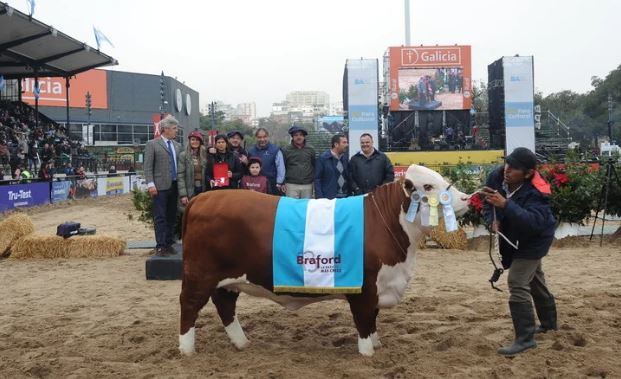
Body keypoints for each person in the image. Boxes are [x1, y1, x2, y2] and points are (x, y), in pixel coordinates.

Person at [481, 147, 557, 356]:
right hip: (514, 238)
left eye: (514, 168)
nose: (507, 169)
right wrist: (492, 220)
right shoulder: (496, 176)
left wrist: (506, 205)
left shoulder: (537, 194)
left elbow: (533, 223)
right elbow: (487, 204)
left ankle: (525, 339)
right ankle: (549, 324)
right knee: (534, 280)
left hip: (535, 240)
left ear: (528, 173)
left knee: (517, 281)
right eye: (508, 164)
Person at [144, 115, 182, 257]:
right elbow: (147, 167)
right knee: (160, 217)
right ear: (166, 129)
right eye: (174, 128)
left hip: (175, 185)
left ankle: (169, 243)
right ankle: (160, 246)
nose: (176, 131)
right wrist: (150, 184)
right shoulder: (152, 144)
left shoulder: (177, 146)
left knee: (172, 216)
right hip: (159, 187)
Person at [248, 128, 285, 195]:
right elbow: (249, 168)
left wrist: (279, 183)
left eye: (264, 137)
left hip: (272, 184)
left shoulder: (275, 150)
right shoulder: (251, 151)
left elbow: (281, 168)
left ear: (268, 137)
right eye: (259, 137)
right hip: (256, 184)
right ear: (256, 138)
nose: (262, 139)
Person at [282, 126, 315, 198]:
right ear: (292, 137)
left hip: (307, 184)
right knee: (291, 206)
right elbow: (282, 167)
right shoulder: (286, 150)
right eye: (296, 135)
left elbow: (314, 165)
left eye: (301, 135)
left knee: (305, 207)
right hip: (291, 184)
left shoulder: (311, 149)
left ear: (304, 136)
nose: (298, 137)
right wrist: (283, 182)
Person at [177, 130, 208, 207]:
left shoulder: (205, 155)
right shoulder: (183, 155)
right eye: (193, 139)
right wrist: (183, 195)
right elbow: (180, 176)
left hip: (203, 188)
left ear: (200, 142)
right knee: (190, 212)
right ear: (189, 141)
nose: (195, 142)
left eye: (197, 140)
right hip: (190, 189)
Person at [314, 134, 350, 199]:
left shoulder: (345, 158)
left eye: (347, 142)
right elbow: (317, 179)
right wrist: (320, 198)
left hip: (345, 198)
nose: (347, 145)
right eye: (344, 142)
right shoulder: (323, 159)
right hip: (329, 199)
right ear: (336, 144)